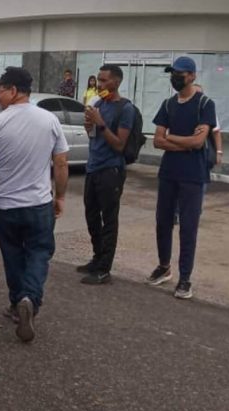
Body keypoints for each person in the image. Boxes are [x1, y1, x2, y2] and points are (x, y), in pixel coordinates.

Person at [0, 67, 69, 343]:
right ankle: (30, 298)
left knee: (13, 255)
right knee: (39, 252)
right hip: (39, 204)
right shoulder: (49, 120)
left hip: (5, 206)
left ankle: (18, 303)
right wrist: (60, 196)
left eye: (0, 90)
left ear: (14, 91)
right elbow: (61, 162)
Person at [147, 56, 216, 300]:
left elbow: (199, 142)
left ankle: (185, 278)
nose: (176, 77)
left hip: (193, 176)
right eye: (173, 73)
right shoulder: (168, 105)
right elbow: (157, 140)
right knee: (163, 222)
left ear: (193, 76)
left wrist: (171, 137)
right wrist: (184, 142)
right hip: (168, 173)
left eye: (181, 73)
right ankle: (164, 267)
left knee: (188, 228)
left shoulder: (205, 104)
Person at [79, 65, 134, 285]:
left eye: (104, 81)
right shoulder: (98, 104)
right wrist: (89, 125)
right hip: (93, 167)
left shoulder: (125, 109)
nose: (99, 85)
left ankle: (104, 268)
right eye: (98, 80)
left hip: (111, 169)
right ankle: (96, 257)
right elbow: (94, 137)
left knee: (108, 219)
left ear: (116, 82)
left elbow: (119, 144)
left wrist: (101, 124)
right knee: (91, 215)